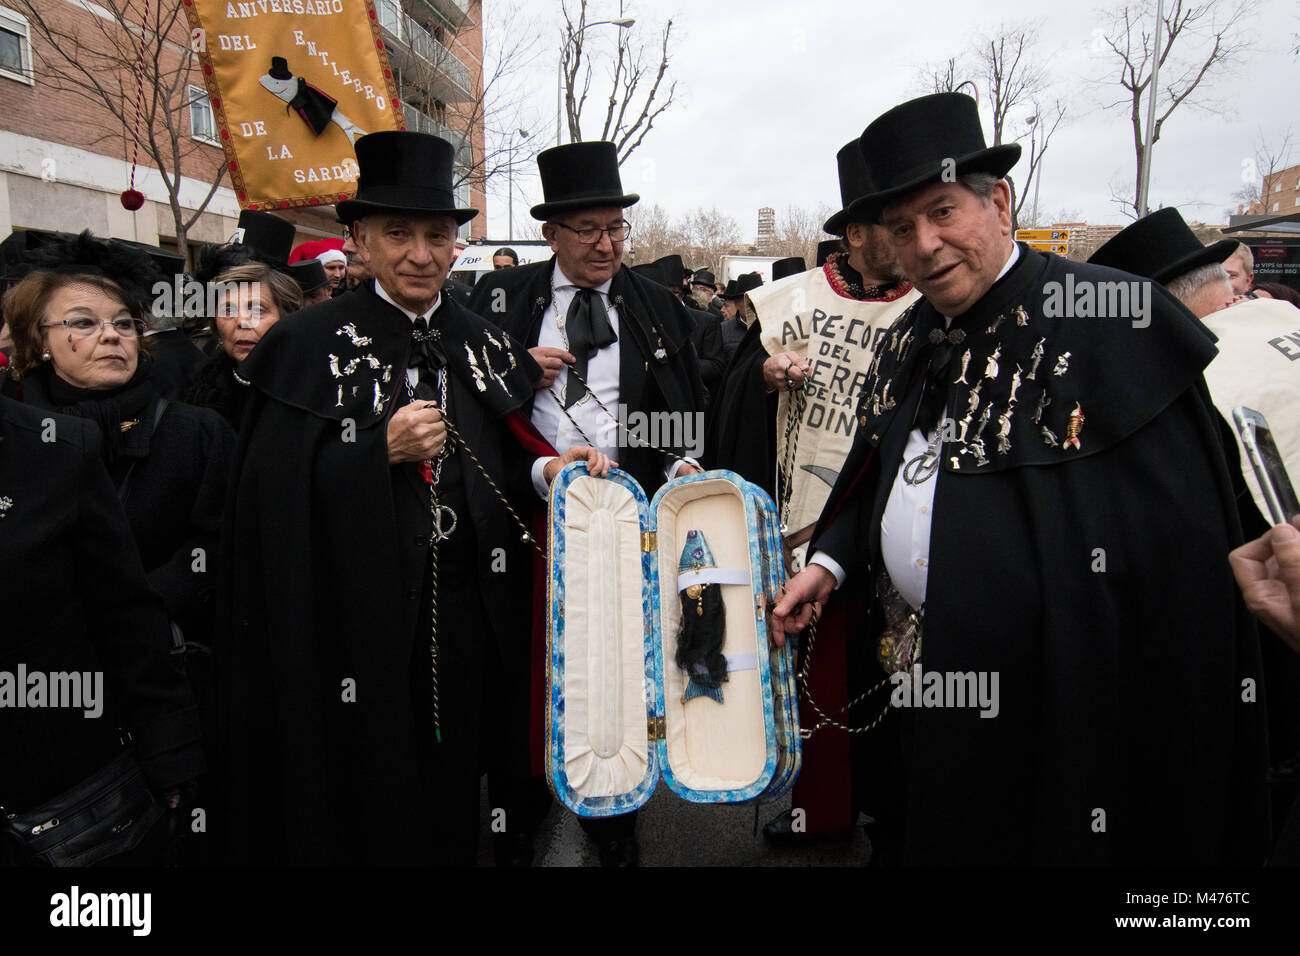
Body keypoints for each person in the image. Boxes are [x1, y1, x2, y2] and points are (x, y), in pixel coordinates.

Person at [772, 92, 1269, 865]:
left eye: (943, 213)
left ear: (999, 201)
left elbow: (1177, 573)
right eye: (903, 229)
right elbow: (880, 470)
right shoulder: (912, 334)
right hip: (918, 695)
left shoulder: (1114, 325)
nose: (926, 245)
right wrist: (833, 560)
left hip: (1058, 715)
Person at [214, 131, 608, 867]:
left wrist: (549, 473)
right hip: (354, 615)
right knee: (370, 778)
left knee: (461, 774)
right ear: (358, 238)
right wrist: (372, 452)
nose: (421, 254)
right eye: (399, 234)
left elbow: (504, 454)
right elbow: (265, 497)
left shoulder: (483, 340)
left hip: (469, 609)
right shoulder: (304, 343)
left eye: (438, 235)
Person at [468, 139, 705, 867]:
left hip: (623, 517)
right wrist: (516, 373)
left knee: (613, 656)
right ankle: (519, 799)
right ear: (550, 234)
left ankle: (614, 814)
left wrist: (683, 465)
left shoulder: (657, 305)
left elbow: (686, 408)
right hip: (527, 506)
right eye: (588, 232)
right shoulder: (497, 299)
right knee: (519, 655)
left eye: (616, 229)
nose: (607, 246)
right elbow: (467, 404)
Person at [706, 140, 919, 851]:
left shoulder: (928, 305)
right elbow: (729, 398)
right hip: (801, 524)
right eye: (892, 225)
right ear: (854, 234)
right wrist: (763, 378)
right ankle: (820, 809)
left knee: (891, 675)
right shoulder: (790, 303)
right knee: (817, 676)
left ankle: (893, 809)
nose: (908, 239)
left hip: (890, 523)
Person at [184, 261, 303, 430]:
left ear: (286, 316)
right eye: (228, 310)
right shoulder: (200, 394)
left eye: (257, 310)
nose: (241, 321)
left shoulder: (311, 388)